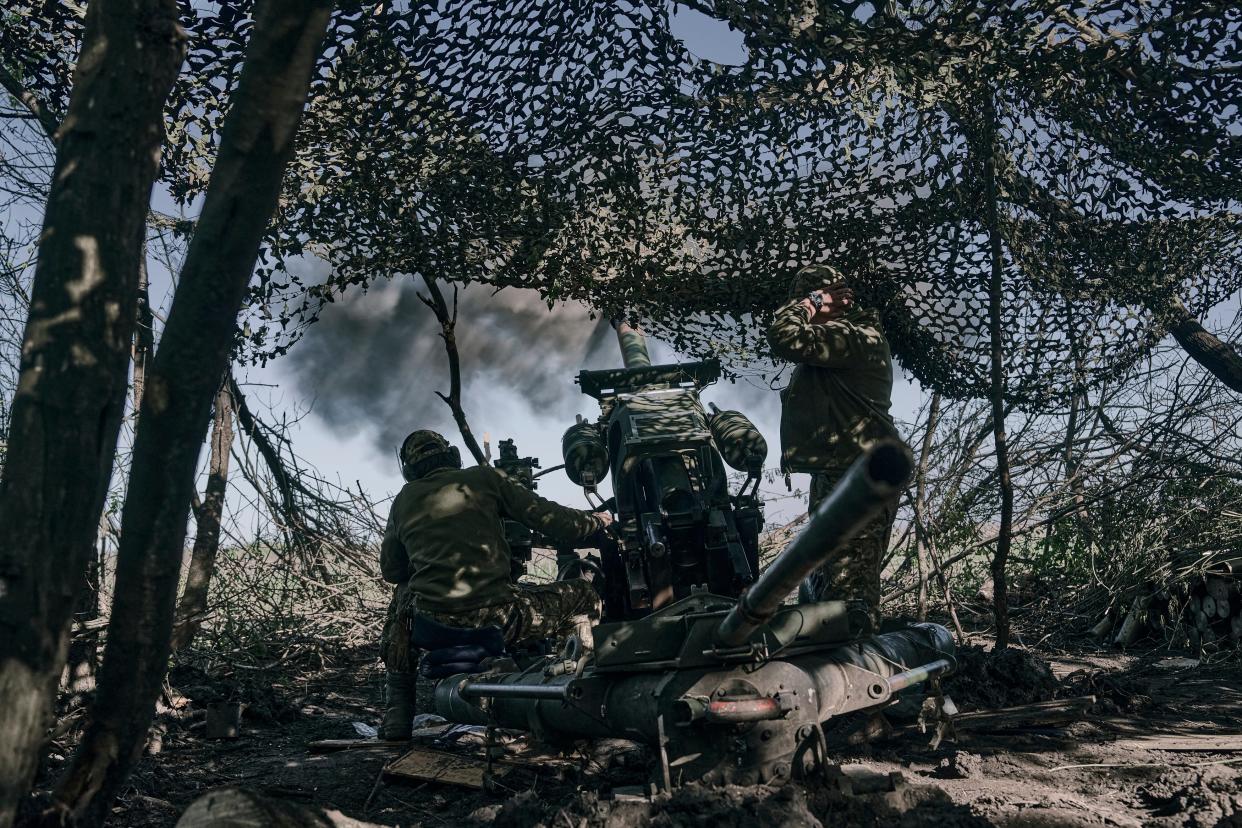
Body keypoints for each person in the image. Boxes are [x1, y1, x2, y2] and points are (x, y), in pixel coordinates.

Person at [378, 429, 612, 739]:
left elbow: (392, 570)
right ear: (452, 456)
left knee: (403, 595)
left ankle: (398, 711)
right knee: (585, 594)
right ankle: (580, 686)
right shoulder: (484, 478)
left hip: (435, 621)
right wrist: (598, 521)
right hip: (501, 618)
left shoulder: (403, 500)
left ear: (408, 468)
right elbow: (553, 520)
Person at [766, 264, 903, 629]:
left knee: (849, 598)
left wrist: (812, 301)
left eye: (811, 304)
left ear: (832, 301)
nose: (805, 313)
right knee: (827, 589)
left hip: (858, 480)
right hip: (842, 474)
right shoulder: (842, 340)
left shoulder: (853, 337)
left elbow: (785, 335)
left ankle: (859, 674)